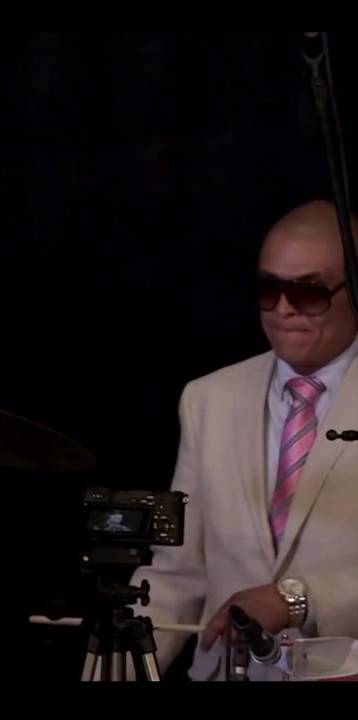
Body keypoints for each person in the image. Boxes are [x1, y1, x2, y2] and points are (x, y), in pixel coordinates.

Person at [132, 199, 358, 681]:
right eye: (268, 289)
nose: (283, 309)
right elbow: (177, 573)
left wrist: (295, 600)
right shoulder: (208, 398)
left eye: (308, 293)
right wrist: (121, 667)